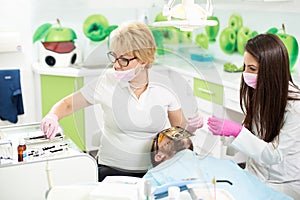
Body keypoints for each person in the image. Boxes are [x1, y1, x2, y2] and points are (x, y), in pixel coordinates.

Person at [40, 21, 203, 181]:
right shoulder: (106, 81)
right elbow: (68, 104)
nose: (116, 65)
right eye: (114, 57)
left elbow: (178, 130)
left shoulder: (165, 86)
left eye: (123, 60)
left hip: (153, 172)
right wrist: (52, 116)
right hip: (110, 169)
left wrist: (191, 127)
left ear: (144, 60)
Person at [207, 33, 300, 199]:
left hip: (282, 185)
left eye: (252, 69)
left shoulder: (295, 108)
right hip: (254, 175)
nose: (245, 73)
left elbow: (274, 155)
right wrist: (228, 134)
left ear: (271, 70)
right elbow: (253, 138)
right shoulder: (260, 91)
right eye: (245, 67)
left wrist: (237, 132)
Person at [144, 126, 293, 200]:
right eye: (165, 137)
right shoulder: (156, 174)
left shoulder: (226, 164)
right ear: (159, 156)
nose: (174, 133)